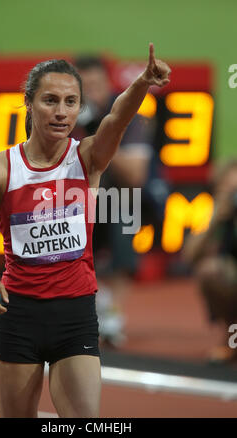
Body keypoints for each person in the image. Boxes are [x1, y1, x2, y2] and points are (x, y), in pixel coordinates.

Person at [0, 44, 171, 418]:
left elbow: (118, 119)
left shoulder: (87, 157)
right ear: (29, 103)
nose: (61, 112)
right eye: (50, 100)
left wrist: (142, 83)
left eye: (71, 102)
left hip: (75, 315)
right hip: (18, 316)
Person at [72, 56, 168, 347]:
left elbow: (135, 175)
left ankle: (112, 311)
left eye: (96, 85)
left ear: (108, 85)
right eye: (84, 87)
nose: (91, 92)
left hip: (127, 202)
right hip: (77, 201)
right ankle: (82, 305)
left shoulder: (131, 119)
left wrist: (100, 134)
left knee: (121, 202)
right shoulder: (62, 120)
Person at [183, 161, 237, 363]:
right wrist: (216, 217)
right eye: (229, 191)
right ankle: (232, 339)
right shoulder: (218, 215)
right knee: (209, 271)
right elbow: (189, 255)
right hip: (232, 279)